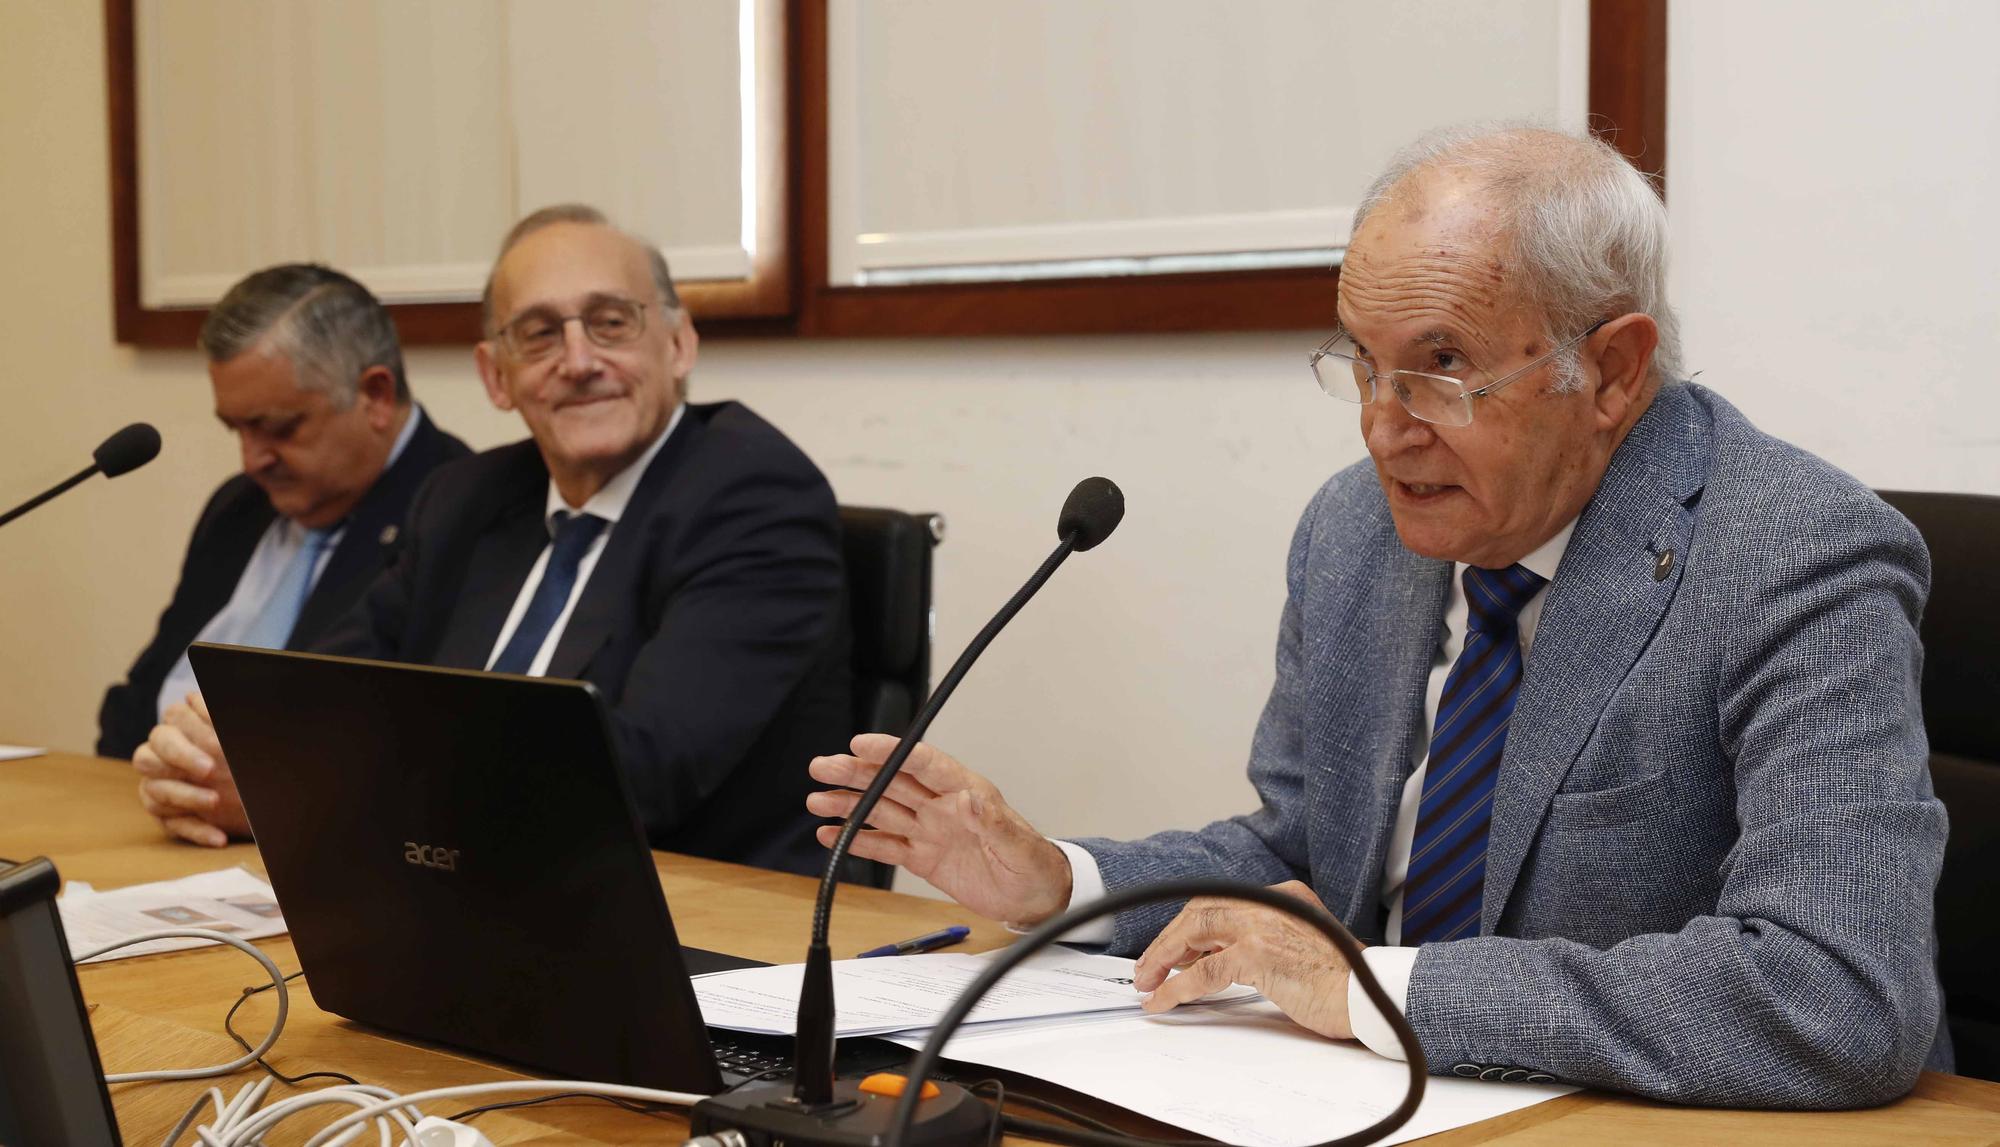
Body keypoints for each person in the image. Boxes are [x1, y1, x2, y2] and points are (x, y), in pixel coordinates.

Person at [805, 125, 1948, 1107]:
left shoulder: (1795, 555)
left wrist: (1370, 986)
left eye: (1439, 368)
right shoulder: (1357, 531)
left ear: (1609, 371)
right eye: (1361, 361)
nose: (1381, 428)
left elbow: (1836, 989)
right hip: (1359, 1103)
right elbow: (1304, 850)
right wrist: (1060, 880)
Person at [134, 206, 852, 876]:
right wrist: (215, 764)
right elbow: (327, 698)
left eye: (611, 322)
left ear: (679, 343)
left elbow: (633, 777)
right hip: (454, 897)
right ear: (495, 376)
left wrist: (292, 788)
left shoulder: (754, 498)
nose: (577, 360)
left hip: (689, 922)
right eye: (539, 334)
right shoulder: (463, 498)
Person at [103, 264, 469, 773]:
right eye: (236, 429)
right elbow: (142, 697)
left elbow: (409, 753)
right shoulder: (239, 506)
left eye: (277, 428)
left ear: (377, 396)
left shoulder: (462, 513)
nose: (252, 460)